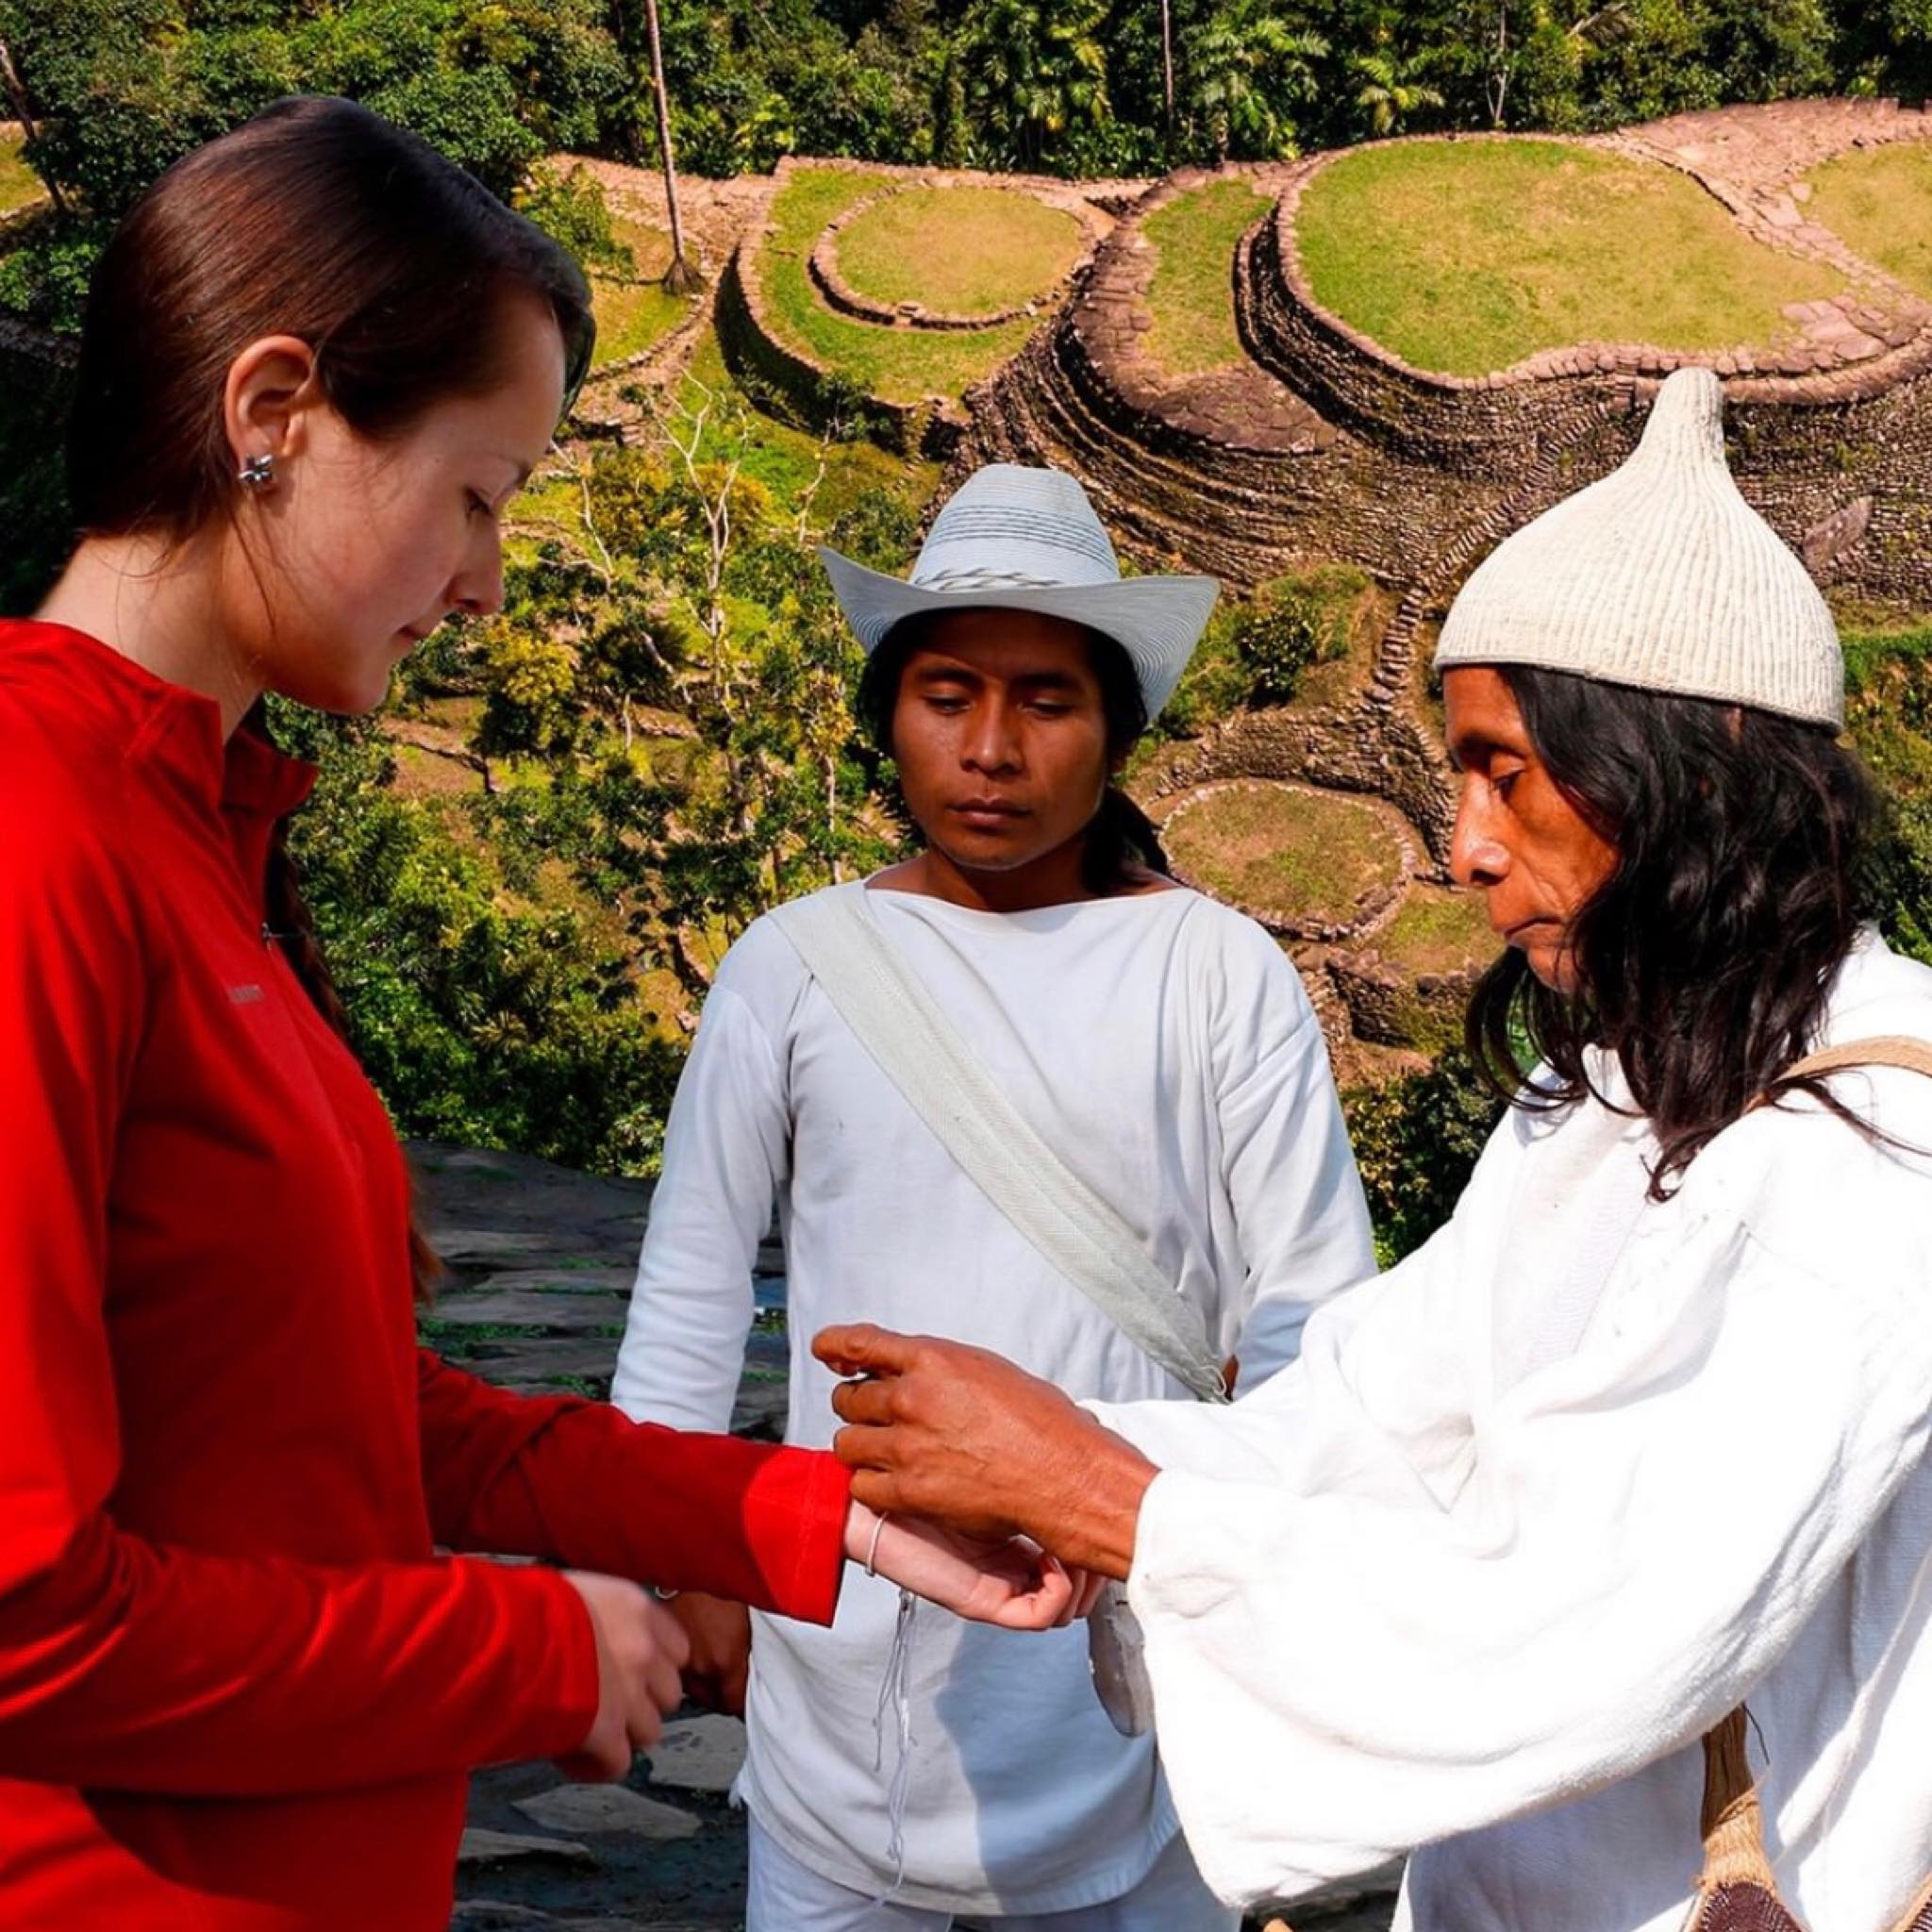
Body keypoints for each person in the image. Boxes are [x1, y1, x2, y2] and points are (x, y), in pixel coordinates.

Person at [0, 96, 1072, 1932]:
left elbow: (335, 1421)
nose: (488, 577)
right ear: (271, 413)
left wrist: (818, 1522)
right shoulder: (38, 840)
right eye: (474, 493)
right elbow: (25, 1623)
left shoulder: (199, 830)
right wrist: (522, 1644)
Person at [814, 370, 1932, 1932]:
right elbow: (1367, 1416)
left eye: (1507, 773)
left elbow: (1601, 1620)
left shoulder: (1878, 1152)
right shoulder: (1610, 1092)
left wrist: (1107, 1501)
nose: (1463, 845)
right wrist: (1054, 1450)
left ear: (1695, 766)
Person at [613, 462, 1376, 1931]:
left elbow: (1308, 1316)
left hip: (1135, 1655)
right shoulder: (797, 964)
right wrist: (680, 1557)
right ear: (888, 717)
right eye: (948, 694)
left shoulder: (1217, 974)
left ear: (1113, 732)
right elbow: (695, 1287)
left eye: (1046, 699)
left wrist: (1249, 1588)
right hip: (842, 1641)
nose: (991, 748)